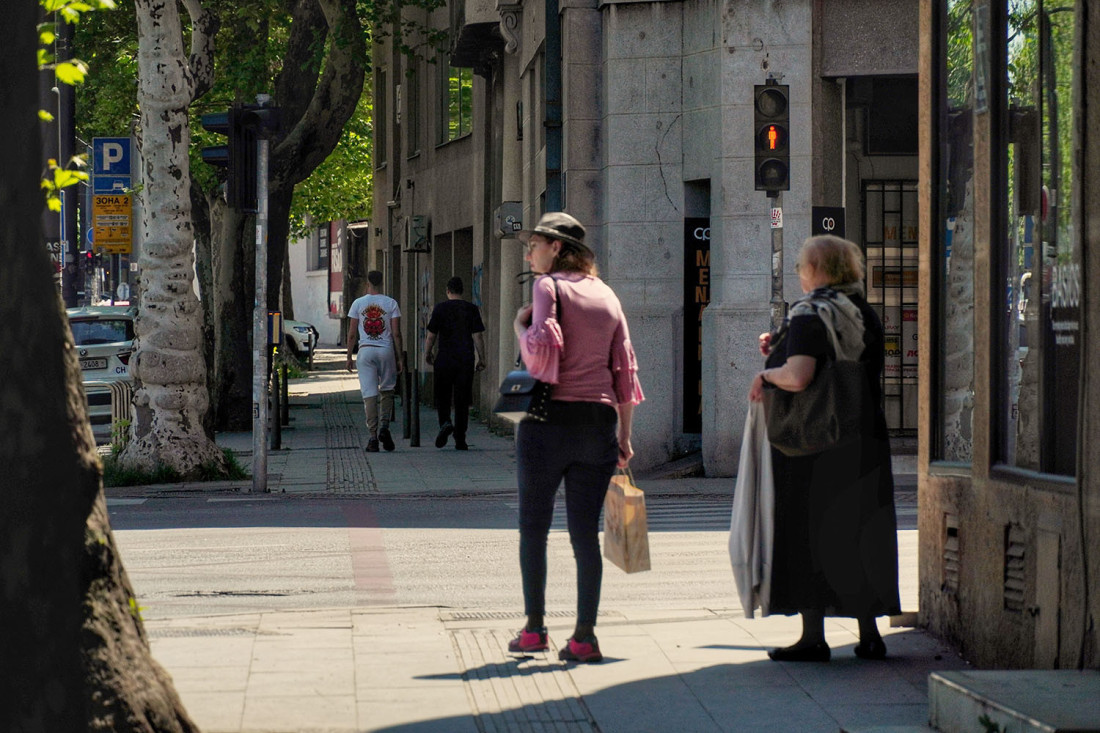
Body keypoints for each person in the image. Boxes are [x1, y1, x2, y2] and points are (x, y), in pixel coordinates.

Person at [748, 234, 901, 662]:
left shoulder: (811, 314)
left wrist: (766, 375)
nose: (799, 273)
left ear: (816, 271)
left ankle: (812, 636)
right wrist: (781, 344)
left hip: (813, 448)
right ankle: (869, 634)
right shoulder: (863, 313)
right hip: (864, 443)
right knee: (860, 535)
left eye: (801, 266)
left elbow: (798, 377)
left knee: (808, 537)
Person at [506, 212, 644, 664]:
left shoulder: (548, 288)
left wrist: (520, 329)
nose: (529, 253)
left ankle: (534, 630)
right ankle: (585, 637)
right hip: (599, 425)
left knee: (534, 528)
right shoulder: (608, 295)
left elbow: (543, 352)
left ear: (558, 249)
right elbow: (624, 371)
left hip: (548, 422)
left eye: (536, 245)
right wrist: (624, 437)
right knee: (585, 535)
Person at [346, 270, 405, 452]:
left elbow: (352, 333)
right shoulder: (391, 303)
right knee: (387, 390)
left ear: (367, 284)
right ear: (381, 283)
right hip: (385, 350)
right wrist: (399, 357)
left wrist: (349, 356)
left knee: (369, 394)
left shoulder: (358, 303)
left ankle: (372, 437)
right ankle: (385, 427)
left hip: (365, 351)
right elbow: (396, 333)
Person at [425, 276, 487, 450]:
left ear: (447, 291)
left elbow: (431, 335)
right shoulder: (471, 309)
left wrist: (428, 353)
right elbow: (478, 336)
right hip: (465, 360)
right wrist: (482, 358)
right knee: (462, 400)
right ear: (462, 290)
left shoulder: (440, 309)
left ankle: (445, 423)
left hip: (444, 358)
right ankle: (460, 438)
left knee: (443, 396)